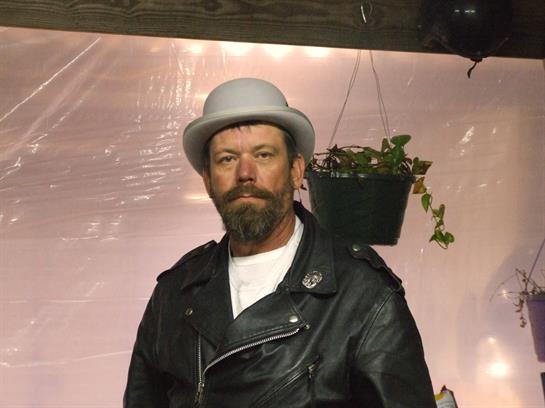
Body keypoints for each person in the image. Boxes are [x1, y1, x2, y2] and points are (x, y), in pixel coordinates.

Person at [124, 78, 436, 407]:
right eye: (227, 159)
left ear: (296, 171)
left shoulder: (362, 294)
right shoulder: (174, 294)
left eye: (263, 155)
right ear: (208, 180)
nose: (245, 173)